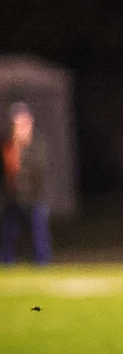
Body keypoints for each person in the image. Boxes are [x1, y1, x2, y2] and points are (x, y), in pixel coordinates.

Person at [1, 103, 52, 265]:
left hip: (34, 197)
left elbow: (38, 170)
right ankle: (5, 263)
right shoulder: (6, 145)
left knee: (39, 234)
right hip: (12, 198)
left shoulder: (37, 145)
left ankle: (43, 264)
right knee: (8, 234)